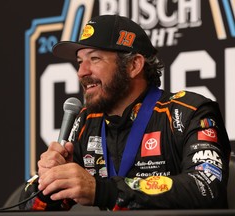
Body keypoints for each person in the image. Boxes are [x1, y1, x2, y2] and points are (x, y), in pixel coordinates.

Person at [19, 14, 231, 210]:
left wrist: (104, 191)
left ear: (133, 65)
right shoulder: (85, 121)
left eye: (94, 59)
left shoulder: (190, 112)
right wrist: (49, 184)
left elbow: (207, 187)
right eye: (80, 61)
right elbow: (29, 207)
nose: (81, 72)